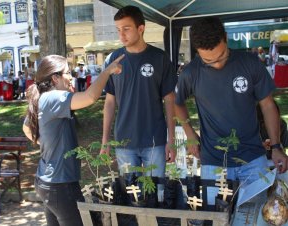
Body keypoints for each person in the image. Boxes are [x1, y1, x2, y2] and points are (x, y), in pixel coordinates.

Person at [174, 17, 288, 186]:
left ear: (226, 38)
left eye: (221, 56)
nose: (217, 64)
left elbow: (268, 105)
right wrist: (190, 133)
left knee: (255, 210)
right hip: (213, 161)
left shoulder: (249, 63)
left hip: (253, 157)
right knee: (215, 212)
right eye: (209, 61)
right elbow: (177, 103)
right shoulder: (190, 73)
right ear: (198, 52)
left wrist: (277, 146)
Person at [22, 54, 123, 226]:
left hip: (48, 182)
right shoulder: (54, 97)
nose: (71, 77)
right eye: (68, 73)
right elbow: (90, 97)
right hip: (61, 185)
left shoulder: (43, 97)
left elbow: (26, 127)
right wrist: (107, 71)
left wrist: (47, 143)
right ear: (55, 78)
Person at [100, 6, 177, 189]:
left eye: (126, 29)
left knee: (156, 193)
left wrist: (171, 139)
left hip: (154, 140)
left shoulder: (160, 58)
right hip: (124, 141)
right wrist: (105, 140)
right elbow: (109, 102)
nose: (121, 34)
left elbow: (170, 101)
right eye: (118, 29)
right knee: (130, 195)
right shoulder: (114, 59)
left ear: (141, 29)